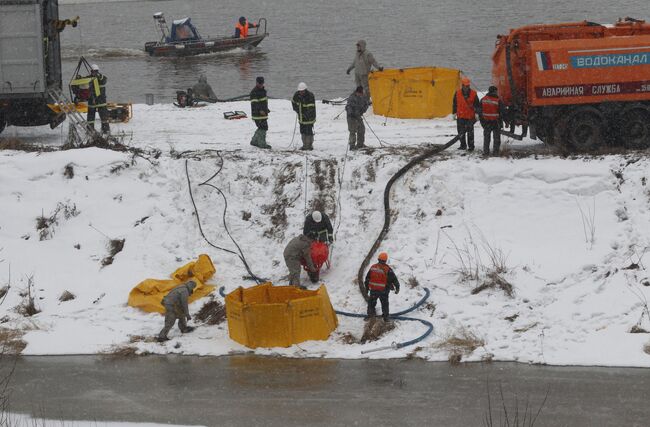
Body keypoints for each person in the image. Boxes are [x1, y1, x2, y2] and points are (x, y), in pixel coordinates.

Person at [364, 252, 400, 321]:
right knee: (385, 304)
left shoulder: (373, 267)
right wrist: (397, 287)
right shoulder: (388, 269)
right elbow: (394, 279)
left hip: (374, 290)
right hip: (384, 290)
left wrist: (367, 288)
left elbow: (367, 278)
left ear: (378, 259)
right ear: (385, 260)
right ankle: (386, 317)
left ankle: (370, 315)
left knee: (371, 303)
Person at [452, 77, 480, 151]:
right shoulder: (457, 93)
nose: (467, 87)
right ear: (462, 85)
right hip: (460, 116)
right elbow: (455, 104)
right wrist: (454, 112)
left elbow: (477, 105)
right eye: (465, 86)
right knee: (461, 132)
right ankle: (463, 145)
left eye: (468, 86)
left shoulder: (474, 93)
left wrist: (477, 113)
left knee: (470, 133)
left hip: (470, 116)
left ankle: (471, 147)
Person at [480, 86, 504, 157]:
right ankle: (496, 152)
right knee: (496, 138)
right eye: (496, 91)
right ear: (494, 91)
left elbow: (479, 111)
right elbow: (502, 112)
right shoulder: (498, 100)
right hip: (495, 122)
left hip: (486, 122)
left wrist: (482, 122)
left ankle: (486, 152)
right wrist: (503, 122)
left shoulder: (483, 99)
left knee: (487, 138)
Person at [292, 82, 316, 151]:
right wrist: (297, 110)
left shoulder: (310, 96)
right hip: (301, 118)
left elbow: (311, 108)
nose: (301, 92)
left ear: (305, 90)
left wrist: (306, 115)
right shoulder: (296, 95)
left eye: (302, 91)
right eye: (300, 91)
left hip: (309, 118)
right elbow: (293, 102)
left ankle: (309, 146)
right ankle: (305, 145)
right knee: (302, 131)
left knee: (308, 131)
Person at [87, 64, 110, 134]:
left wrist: (98, 76)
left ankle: (105, 130)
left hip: (101, 101)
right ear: (91, 71)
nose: (94, 73)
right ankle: (90, 130)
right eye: (93, 71)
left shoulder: (102, 78)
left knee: (104, 116)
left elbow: (104, 80)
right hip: (92, 100)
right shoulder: (88, 79)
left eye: (96, 71)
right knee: (91, 117)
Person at [250, 76, 271, 149]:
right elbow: (255, 104)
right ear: (256, 83)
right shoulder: (254, 92)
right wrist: (260, 110)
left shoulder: (263, 91)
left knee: (261, 127)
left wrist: (266, 109)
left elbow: (263, 102)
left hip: (263, 114)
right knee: (263, 127)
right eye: (259, 83)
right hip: (257, 115)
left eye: (262, 83)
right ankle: (262, 144)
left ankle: (254, 141)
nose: (261, 85)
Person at [346, 86, 370, 150]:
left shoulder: (363, 97)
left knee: (362, 129)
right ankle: (352, 145)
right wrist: (351, 113)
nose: (361, 95)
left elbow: (365, 105)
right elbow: (348, 107)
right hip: (351, 117)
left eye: (361, 93)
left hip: (358, 116)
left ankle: (360, 144)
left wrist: (364, 108)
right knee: (352, 131)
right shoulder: (351, 98)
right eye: (360, 93)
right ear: (357, 92)